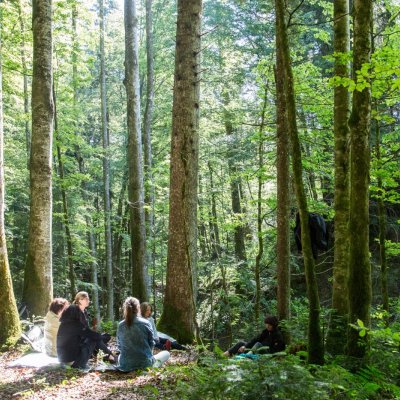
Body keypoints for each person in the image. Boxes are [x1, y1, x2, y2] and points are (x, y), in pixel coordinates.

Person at [57, 291, 115, 369]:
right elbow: (85, 332)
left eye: (88, 298)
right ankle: (110, 355)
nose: (88, 300)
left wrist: (101, 337)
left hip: (71, 355)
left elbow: (85, 332)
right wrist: (100, 337)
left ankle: (109, 356)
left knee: (100, 337)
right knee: (95, 339)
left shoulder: (82, 312)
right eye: (86, 299)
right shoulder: (73, 311)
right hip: (72, 361)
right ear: (80, 300)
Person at [117, 297, 170, 371]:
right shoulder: (146, 323)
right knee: (166, 353)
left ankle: (141, 366)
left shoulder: (120, 325)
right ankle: (149, 368)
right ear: (138, 308)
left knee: (120, 356)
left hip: (126, 365)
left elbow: (119, 346)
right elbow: (151, 344)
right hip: (144, 363)